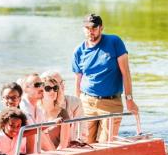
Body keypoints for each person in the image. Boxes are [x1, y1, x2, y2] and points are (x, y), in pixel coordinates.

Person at [71, 13, 139, 144]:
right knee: (84, 144)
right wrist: (77, 103)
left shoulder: (114, 42)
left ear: (101, 28)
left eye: (94, 28)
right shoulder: (78, 51)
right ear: (83, 29)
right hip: (87, 103)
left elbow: (126, 73)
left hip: (111, 104)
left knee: (104, 145)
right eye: (87, 28)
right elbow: (78, 79)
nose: (90, 31)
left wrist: (129, 99)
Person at [41, 68, 85, 145]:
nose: (61, 86)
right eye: (48, 88)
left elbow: (81, 130)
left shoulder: (74, 102)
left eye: (56, 87)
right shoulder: (36, 109)